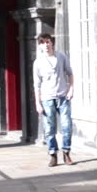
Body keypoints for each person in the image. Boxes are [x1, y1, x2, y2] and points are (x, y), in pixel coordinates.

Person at [32, 33, 75, 167]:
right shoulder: (38, 62)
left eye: (48, 42)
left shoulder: (61, 56)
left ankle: (66, 153)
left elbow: (70, 73)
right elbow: (36, 84)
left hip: (62, 97)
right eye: (43, 42)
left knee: (67, 126)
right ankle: (53, 155)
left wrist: (71, 89)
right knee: (49, 129)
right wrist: (37, 102)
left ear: (52, 43)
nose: (46, 45)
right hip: (47, 98)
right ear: (40, 45)